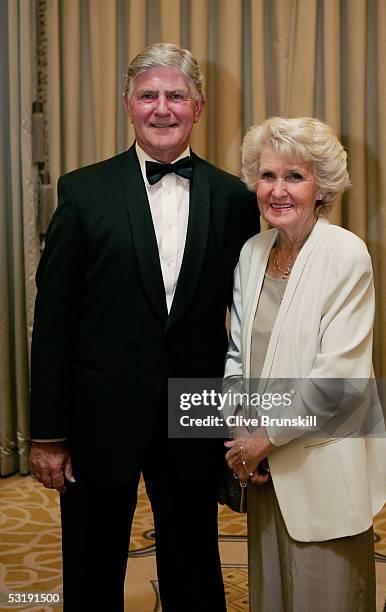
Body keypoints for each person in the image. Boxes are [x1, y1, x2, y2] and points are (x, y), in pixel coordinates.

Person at [29, 42, 259, 612]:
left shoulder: (234, 197)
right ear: (128, 105)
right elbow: (54, 318)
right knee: (90, 559)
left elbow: (250, 319)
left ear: (198, 107)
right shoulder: (83, 191)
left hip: (196, 406)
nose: (162, 108)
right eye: (149, 95)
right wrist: (49, 432)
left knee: (194, 561)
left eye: (176, 96)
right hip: (98, 408)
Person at [223, 116, 386, 611]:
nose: (278, 190)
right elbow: (236, 357)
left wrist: (262, 441)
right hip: (262, 470)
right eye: (268, 176)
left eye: (294, 177)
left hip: (324, 467)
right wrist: (243, 435)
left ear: (320, 186)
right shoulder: (252, 254)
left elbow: (337, 379)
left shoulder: (346, 255)